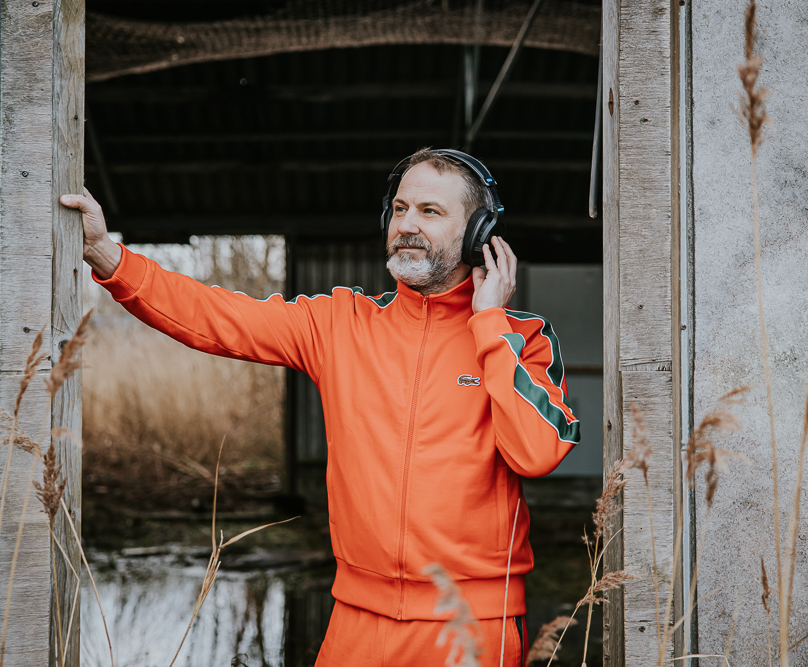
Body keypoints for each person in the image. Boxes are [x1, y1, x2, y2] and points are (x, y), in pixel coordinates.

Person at [61, 148, 580, 666]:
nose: (407, 225)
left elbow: (537, 453)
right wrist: (109, 256)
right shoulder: (340, 324)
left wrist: (488, 324)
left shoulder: (521, 338)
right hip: (356, 619)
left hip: (472, 626)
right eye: (399, 209)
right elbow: (219, 316)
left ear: (478, 234)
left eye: (430, 211)